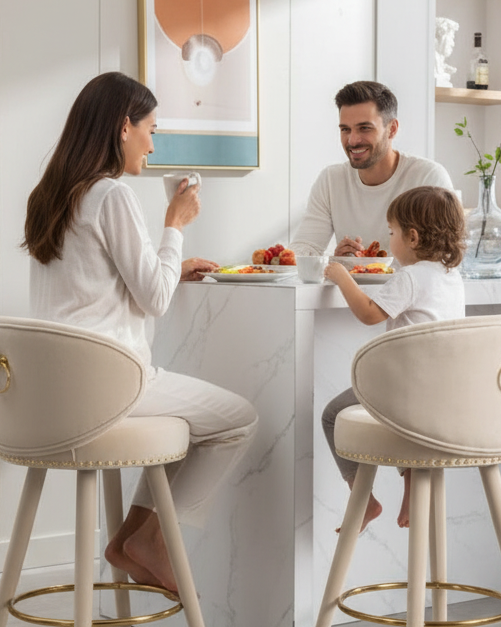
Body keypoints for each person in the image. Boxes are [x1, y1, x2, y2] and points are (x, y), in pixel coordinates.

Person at [24, 71, 258, 593]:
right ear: (123, 127)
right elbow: (153, 298)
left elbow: (100, 285)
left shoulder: (52, 195)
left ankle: (132, 539)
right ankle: (144, 537)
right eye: (152, 128)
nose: (155, 143)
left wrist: (169, 262)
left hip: (51, 393)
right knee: (238, 420)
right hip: (107, 384)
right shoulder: (112, 195)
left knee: (220, 418)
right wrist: (174, 224)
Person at [322, 186, 466, 530]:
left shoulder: (411, 276)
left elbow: (370, 313)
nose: (390, 242)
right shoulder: (451, 277)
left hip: (405, 395)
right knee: (409, 427)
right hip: (442, 397)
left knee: (332, 415)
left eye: (392, 233)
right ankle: (412, 493)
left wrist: (342, 276)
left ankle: (364, 499)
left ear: (412, 237)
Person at [292, 80, 454, 258]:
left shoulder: (428, 177)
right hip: (348, 286)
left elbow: (442, 258)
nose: (352, 140)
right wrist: (335, 261)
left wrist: (370, 268)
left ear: (392, 129)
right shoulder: (331, 180)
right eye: (345, 129)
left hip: (409, 286)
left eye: (364, 128)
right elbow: (303, 250)